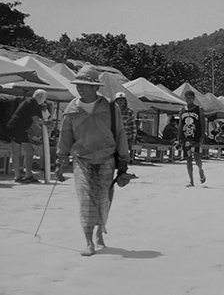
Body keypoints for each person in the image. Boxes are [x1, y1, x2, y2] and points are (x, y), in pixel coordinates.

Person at [55, 65, 130, 256]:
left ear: (95, 87)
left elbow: (121, 134)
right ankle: (88, 241)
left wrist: (123, 161)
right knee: (86, 200)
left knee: (104, 199)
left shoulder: (111, 108)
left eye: (85, 85)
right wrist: (61, 159)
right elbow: (65, 136)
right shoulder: (71, 109)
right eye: (78, 84)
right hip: (82, 159)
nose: (80, 88)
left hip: (106, 159)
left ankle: (100, 230)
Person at [6, 89, 47, 183]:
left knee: (22, 152)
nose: (44, 101)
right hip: (16, 128)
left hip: (17, 128)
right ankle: (23, 175)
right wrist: (46, 123)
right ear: (40, 97)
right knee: (23, 152)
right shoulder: (31, 103)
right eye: (44, 98)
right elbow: (36, 120)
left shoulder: (30, 102)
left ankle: (21, 175)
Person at [178, 89, 206, 187]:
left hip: (196, 137)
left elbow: (203, 123)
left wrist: (202, 135)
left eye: (191, 97)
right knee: (188, 159)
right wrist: (179, 137)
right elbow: (180, 124)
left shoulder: (199, 109)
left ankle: (200, 170)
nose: (189, 99)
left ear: (194, 98)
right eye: (187, 97)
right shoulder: (182, 110)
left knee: (197, 158)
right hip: (186, 138)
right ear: (185, 98)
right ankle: (191, 181)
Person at [114, 92, 138, 161]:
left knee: (123, 154)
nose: (120, 102)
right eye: (119, 100)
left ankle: (122, 169)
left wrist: (133, 137)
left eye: (122, 100)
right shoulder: (111, 111)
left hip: (126, 137)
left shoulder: (129, 112)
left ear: (125, 101)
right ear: (116, 101)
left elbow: (133, 125)